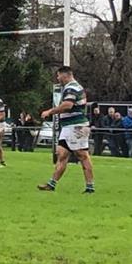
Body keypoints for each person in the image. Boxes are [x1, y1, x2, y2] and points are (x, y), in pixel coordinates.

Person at [37, 65, 96, 193]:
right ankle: (51, 184)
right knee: (62, 155)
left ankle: (90, 187)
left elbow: (67, 105)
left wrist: (50, 111)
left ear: (65, 75)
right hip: (68, 127)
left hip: (76, 126)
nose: (57, 78)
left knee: (82, 155)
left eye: (58, 75)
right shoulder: (71, 87)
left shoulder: (72, 88)